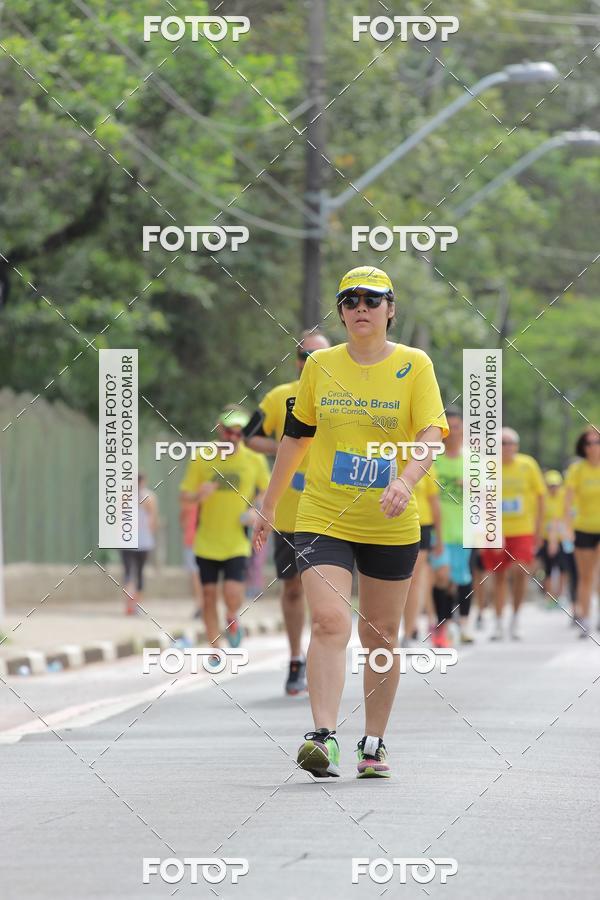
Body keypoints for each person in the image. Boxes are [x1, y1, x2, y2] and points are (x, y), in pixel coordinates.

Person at [253, 265, 448, 779]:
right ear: (340, 312)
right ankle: (322, 737)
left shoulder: (414, 365)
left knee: (380, 633)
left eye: (372, 299)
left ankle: (375, 743)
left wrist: (404, 481)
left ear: (390, 309)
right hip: (324, 515)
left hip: (390, 519)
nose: (360, 307)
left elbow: (432, 435)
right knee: (329, 621)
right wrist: (269, 504)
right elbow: (295, 437)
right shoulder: (319, 365)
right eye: (350, 300)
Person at [244, 328, 331, 694]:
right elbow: (250, 435)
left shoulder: (345, 398)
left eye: (319, 357)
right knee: (293, 588)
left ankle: (321, 661)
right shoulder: (281, 396)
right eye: (305, 356)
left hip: (332, 512)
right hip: (289, 514)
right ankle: (296, 659)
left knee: (326, 597)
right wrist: (286, 447)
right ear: (297, 362)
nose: (311, 363)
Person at [180, 406, 270, 653]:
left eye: (239, 433)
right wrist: (198, 494)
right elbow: (184, 496)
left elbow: (268, 490)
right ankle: (214, 648)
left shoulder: (254, 460)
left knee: (232, 593)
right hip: (206, 540)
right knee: (208, 596)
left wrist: (256, 509)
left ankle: (232, 615)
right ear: (220, 429)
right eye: (229, 432)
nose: (234, 437)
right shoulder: (202, 456)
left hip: (236, 541)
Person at [481, 427, 546, 641]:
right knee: (498, 576)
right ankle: (499, 622)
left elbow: (540, 497)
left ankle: (516, 618)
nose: (505, 447)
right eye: (501, 443)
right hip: (496, 530)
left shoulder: (528, 465)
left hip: (522, 529)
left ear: (516, 446)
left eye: (509, 443)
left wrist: (539, 530)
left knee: (520, 571)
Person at [429, 407, 474, 646]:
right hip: (440, 532)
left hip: (465, 531)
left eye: (457, 427)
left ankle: (464, 623)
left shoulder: (473, 461)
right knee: (441, 578)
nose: (453, 432)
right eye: (449, 427)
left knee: (462, 578)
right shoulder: (434, 460)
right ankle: (441, 626)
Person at [564, 426, 600, 637]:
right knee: (585, 576)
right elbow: (567, 502)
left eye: (597, 442)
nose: (593, 447)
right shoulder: (577, 470)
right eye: (589, 443)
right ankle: (584, 618)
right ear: (583, 447)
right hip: (583, 528)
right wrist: (567, 527)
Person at [402, 463, 442, 646]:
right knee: (398, 580)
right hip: (391, 523)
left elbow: (435, 503)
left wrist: (439, 538)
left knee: (414, 579)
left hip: (421, 525)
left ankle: (408, 631)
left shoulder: (426, 465)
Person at [121, 473, 158, 615]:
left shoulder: (125, 496)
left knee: (129, 573)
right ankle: (137, 605)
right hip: (144, 541)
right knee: (140, 573)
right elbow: (153, 519)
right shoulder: (150, 497)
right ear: (143, 481)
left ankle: (128, 604)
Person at [538, 470, 568, 605]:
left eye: (555, 485)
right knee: (548, 568)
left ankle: (560, 595)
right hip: (546, 538)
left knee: (563, 568)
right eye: (551, 485)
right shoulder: (543, 497)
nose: (553, 488)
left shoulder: (564, 496)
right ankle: (549, 597)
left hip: (562, 539)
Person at [179, 494, 203, 618]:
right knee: (199, 576)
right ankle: (201, 605)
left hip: (193, 542)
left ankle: (200, 605)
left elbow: (182, 521)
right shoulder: (205, 502)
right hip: (201, 542)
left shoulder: (187, 502)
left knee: (195, 576)